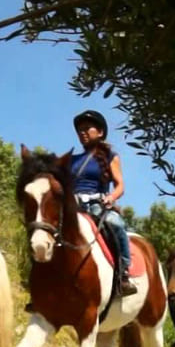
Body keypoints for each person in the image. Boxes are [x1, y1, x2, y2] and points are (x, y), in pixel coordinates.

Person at [68, 109, 137, 296]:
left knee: (116, 224)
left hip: (96, 204)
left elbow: (120, 185)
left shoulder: (110, 157)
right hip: (72, 206)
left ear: (100, 132)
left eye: (87, 128)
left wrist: (111, 198)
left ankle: (123, 274)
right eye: (79, 129)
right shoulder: (71, 159)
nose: (82, 132)